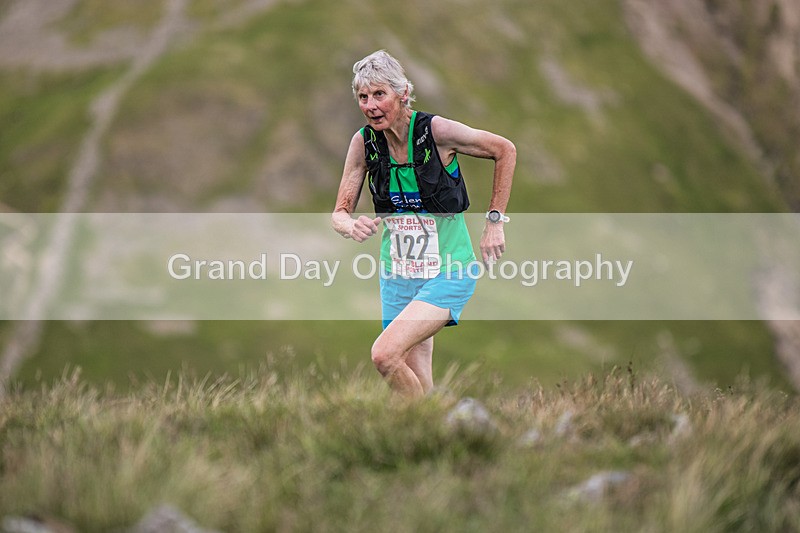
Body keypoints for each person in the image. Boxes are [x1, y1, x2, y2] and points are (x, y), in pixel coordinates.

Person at [331, 50, 515, 398]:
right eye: (363, 97)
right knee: (414, 380)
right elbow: (339, 212)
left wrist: (495, 221)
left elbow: (504, 150)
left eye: (379, 94)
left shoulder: (436, 131)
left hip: (449, 270)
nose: (371, 106)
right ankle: (433, 425)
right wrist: (349, 226)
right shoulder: (364, 143)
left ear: (403, 93)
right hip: (397, 277)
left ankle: (429, 420)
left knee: (384, 355)